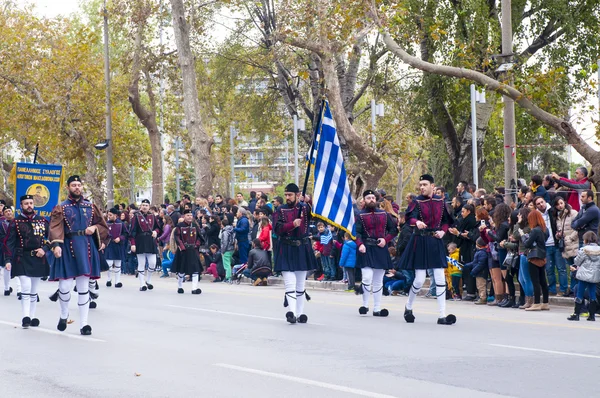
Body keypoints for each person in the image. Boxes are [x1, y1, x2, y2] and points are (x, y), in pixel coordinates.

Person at [48, 175, 109, 335]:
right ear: (68, 187)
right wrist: (56, 244)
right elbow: (55, 227)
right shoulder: (60, 207)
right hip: (67, 247)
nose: (77, 187)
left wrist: (95, 228)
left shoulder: (91, 206)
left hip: (87, 247)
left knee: (83, 288)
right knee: (65, 287)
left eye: (79, 185)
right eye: (73, 185)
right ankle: (63, 314)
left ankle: (84, 324)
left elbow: (103, 226)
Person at [399, 174, 456, 325]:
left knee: (439, 277)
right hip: (420, 240)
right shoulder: (416, 201)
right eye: (420, 185)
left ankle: (442, 315)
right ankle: (408, 306)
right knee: (419, 279)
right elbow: (409, 218)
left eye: (425, 184)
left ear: (432, 186)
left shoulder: (441, 201)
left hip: (435, 241)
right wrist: (416, 221)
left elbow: (447, 222)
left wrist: (443, 231)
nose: (422, 187)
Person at [273, 183, 317, 324]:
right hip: (286, 247)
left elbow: (317, 214)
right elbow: (277, 229)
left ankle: (300, 313)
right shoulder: (280, 209)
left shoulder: (305, 208)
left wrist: (309, 201)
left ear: (297, 195)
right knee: (290, 284)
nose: (287, 197)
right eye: (286, 195)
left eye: (290, 195)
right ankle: (291, 312)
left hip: (301, 248)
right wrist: (292, 224)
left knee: (300, 285)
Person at [4, 195, 50, 328]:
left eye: (31, 203)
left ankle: (33, 315)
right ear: (21, 206)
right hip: (21, 258)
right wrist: (8, 259)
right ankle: (25, 316)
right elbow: (9, 242)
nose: (29, 206)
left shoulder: (42, 220)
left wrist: (45, 249)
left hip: (38, 258)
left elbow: (52, 238)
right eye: (26, 204)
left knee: (34, 290)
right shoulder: (16, 222)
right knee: (26, 286)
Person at [355, 189, 397, 317]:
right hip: (366, 248)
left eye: (373, 197)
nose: (371, 200)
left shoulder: (384, 214)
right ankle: (365, 304)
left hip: (380, 248)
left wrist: (386, 239)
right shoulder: (360, 215)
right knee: (367, 277)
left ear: (376, 199)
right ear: (364, 201)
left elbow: (394, 230)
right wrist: (360, 244)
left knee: (379, 280)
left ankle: (377, 308)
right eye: (368, 198)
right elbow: (356, 233)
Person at [533, 196, 563, 296]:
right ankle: (552, 289)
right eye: (538, 204)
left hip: (556, 243)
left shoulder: (552, 210)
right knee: (549, 269)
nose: (541, 204)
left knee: (561, 268)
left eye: (542, 202)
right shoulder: (536, 215)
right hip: (545, 245)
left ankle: (564, 290)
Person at [448, 203, 478, 300]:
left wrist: (458, 233)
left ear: (469, 212)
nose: (462, 213)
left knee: (468, 269)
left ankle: (471, 292)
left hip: (469, 248)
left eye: (463, 211)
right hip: (464, 248)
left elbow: (467, 235)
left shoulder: (470, 221)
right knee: (465, 269)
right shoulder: (464, 220)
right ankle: (469, 291)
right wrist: (456, 233)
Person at [567, 231, 600, 321]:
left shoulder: (584, 250)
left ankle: (576, 314)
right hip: (594, 276)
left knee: (579, 293)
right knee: (592, 295)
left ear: (586, 240)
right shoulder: (599, 250)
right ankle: (592, 316)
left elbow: (577, 262)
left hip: (584, 275)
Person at [521, 210, 550, 311]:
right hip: (542, 256)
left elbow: (527, 244)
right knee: (543, 281)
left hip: (534, 256)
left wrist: (524, 237)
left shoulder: (535, 230)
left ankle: (537, 303)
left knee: (535, 281)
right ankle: (545, 302)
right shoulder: (545, 229)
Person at [130, 199, 161, 291]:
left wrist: (156, 231)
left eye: (146, 205)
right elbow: (132, 231)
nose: (144, 207)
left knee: (153, 263)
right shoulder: (136, 216)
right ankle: (142, 283)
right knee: (141, 263)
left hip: (151, 241)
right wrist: (133, 244)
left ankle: (148, 279)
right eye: (143, 205)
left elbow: (158, 228)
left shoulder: (153, 216)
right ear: (140, 206)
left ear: (149, 206)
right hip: (140, 241)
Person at [170, 209, 202, 294]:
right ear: (184, 216)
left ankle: (194, 288)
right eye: (188, 215)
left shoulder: (195, 225)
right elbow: (177, 237)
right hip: (183, 251)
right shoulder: (179, 226)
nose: (190, 217)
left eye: (191, 215)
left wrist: (197, 244)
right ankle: (180, 286)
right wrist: (182, 246)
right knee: (181, 270)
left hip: (193, 250)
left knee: (195, 269)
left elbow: (200, 237)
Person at [552, 197, 579, 296]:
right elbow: (559, 230)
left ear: (564, 203)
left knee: (576, 269)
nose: (560, 206)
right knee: (571, 268)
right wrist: (558, 235)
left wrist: (570, 238)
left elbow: (578, 228)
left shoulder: (573, 213)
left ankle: (574, 290)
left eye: (561, 203)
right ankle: (572, 289)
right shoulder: (558, 216)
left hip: (574, 243)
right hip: (565, 246)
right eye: (558, 204)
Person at [1, 206, 21, 297]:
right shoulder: (1, 224)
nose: (8, 213)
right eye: (6, 212)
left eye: (9, 211)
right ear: (4, 214)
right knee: (6, 268)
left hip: (17, 248)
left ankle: (20, 290)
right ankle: (6, 288)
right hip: (5, 248)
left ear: (12, 212)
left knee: (18, 268)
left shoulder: (18, 222)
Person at [105, 208, 127, 288]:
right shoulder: (106, 224)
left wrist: (120, 238)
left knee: (118, 264)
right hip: (109, 245)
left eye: (110, 215)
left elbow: (126, 234)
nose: (109, 216)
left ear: (115, 215)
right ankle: (109, 279)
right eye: (108, 215)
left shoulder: (121, 224)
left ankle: (117, 281)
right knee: (109, 263)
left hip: (118, 245)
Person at [463, 238, 489, 305]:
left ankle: (483, 298)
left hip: (481, 272)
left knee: (481, 286)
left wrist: (473, 271)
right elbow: (474, 262)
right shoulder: (479, 252)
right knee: (479, 285)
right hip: (478, 272)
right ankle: (481, 297)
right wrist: (467, 265)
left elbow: (480, 264)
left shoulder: (482, 253)